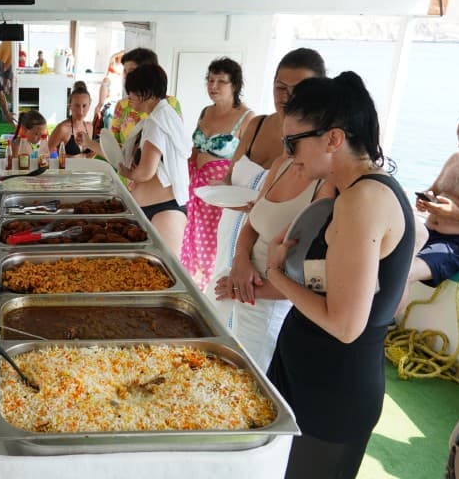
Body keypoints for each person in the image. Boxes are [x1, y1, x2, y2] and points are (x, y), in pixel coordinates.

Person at [265, 72, 415, 478]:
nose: (289, 152)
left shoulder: (365, 200)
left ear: (333, 139)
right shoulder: (351, 190)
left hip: (331, 392)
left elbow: (346, 325)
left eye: (293, 141)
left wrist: (275, 273)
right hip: (311, 376)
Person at [210, 48, 334, 372]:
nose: (289, 97)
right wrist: (238, 264)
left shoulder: (329, 181)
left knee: (252, 379)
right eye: (281, 87)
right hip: (234, 269)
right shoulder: (281, 160)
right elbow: (252, 220)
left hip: (267, 297)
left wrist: (251, 287)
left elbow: (318, 275)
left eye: (300, 89)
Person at [181, 57, 254, 289]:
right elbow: (194, 148)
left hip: (219, 194)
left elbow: (249, 161)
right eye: (210, 80)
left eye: (221, 81)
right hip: (194, 187)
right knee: (189, 240)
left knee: (213, 245)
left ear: (235, 85)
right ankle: (192, 287)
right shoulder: (205, 112)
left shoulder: (247, 118)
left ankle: (211, 292)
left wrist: (225, 178)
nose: (213, 86)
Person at [117, 64, 191, 257]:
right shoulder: (162, 117)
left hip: (164, 209)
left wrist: (127, 173)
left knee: (165, 267)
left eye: (132, 93)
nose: (129, 97)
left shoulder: (156, 122)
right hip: (154, 207)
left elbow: (145, 172)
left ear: (146, 93)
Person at [76, 48, 182, 157]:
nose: (127, 76)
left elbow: (175, 148)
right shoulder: (122, 105)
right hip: (126, 173)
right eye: (125, 71)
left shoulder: (169, 104)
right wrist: (89, 143)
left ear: (148, 72)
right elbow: (114, 151)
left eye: (131, 71)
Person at [407, 118, 459, 288]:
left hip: (452, 244)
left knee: (403, 272)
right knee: (386, 262)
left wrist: (453, 213)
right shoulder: (455, 159)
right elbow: (433, 189)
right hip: (426, 232)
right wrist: (425, 199)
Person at [47, 81, 95, 158]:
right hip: (66, 170)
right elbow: (45, 154)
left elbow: (89, 157)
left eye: (84, 106)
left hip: (86, 170)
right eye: (77, 105)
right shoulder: (62, 129)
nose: (81, 111)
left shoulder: (90, 127)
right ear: (70, 106)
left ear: (89, 105)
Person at [93, 50, 124, 134]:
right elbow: (101, 103)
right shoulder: (112, 79)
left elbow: (101, 103)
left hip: (112, 112)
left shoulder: (108, 79)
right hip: (113, 112)